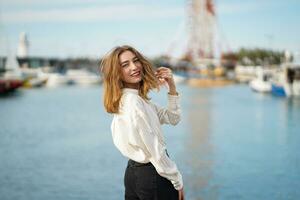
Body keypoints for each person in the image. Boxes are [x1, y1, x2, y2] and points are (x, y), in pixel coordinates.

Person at [100, 45, 184, 200]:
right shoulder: (134, 103)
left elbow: (173, 118)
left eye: (135, 61)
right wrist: (177, 180)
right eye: (125, 65)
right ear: (117, 73)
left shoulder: (135, 101)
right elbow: (155, 150)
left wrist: (171, 85)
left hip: (134, 174)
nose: (134, 67)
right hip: (153, 175)